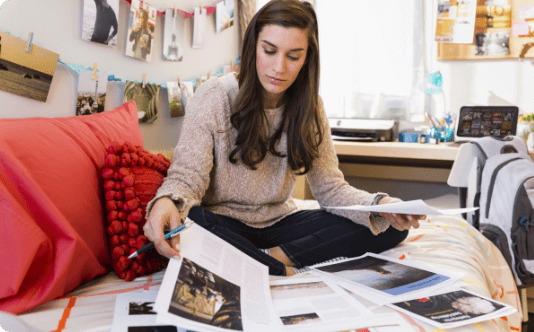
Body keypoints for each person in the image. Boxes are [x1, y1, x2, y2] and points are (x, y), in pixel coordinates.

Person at [144, 0, 425, 277]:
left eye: (293, 56)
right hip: (225, 225)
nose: (279, 67)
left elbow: (331, 191)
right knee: (193, 220)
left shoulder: (311, 106)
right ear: (254, 46)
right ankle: (278, 267)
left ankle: (272, 258)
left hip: (281, 223)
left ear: (306, 59)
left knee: (385, 227)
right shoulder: (214, 96)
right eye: (269, 51)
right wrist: (167, 201)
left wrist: (382, 207)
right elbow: (186, 178)